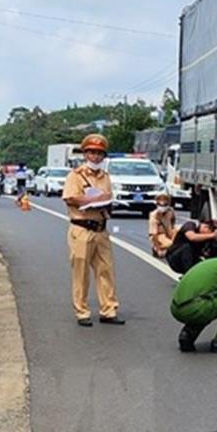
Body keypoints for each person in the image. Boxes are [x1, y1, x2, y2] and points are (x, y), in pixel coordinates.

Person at [61, 134, 125, 327]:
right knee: (81, 272)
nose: (95, 157)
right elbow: (70, 197)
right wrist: (91, 201)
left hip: (101, 228)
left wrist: (105, 202)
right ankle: (82, 311)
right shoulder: (76, 175)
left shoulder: (105, 177)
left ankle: (109, 310)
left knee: (106, 270)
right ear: (85, 154)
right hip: (82, 228)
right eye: (91, 152)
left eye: (99, 153)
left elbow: (107, 196)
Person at [148, 193, 176, 258]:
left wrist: (172, 229)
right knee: (171, 244)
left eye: (165, 204)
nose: (162, 206)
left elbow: (173, 220)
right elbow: (154, 234)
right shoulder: (154, 216)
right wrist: (158, 250)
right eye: (160, 204)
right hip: (159, 235)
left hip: (169, 232)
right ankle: (157, 248)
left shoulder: (170, 211)